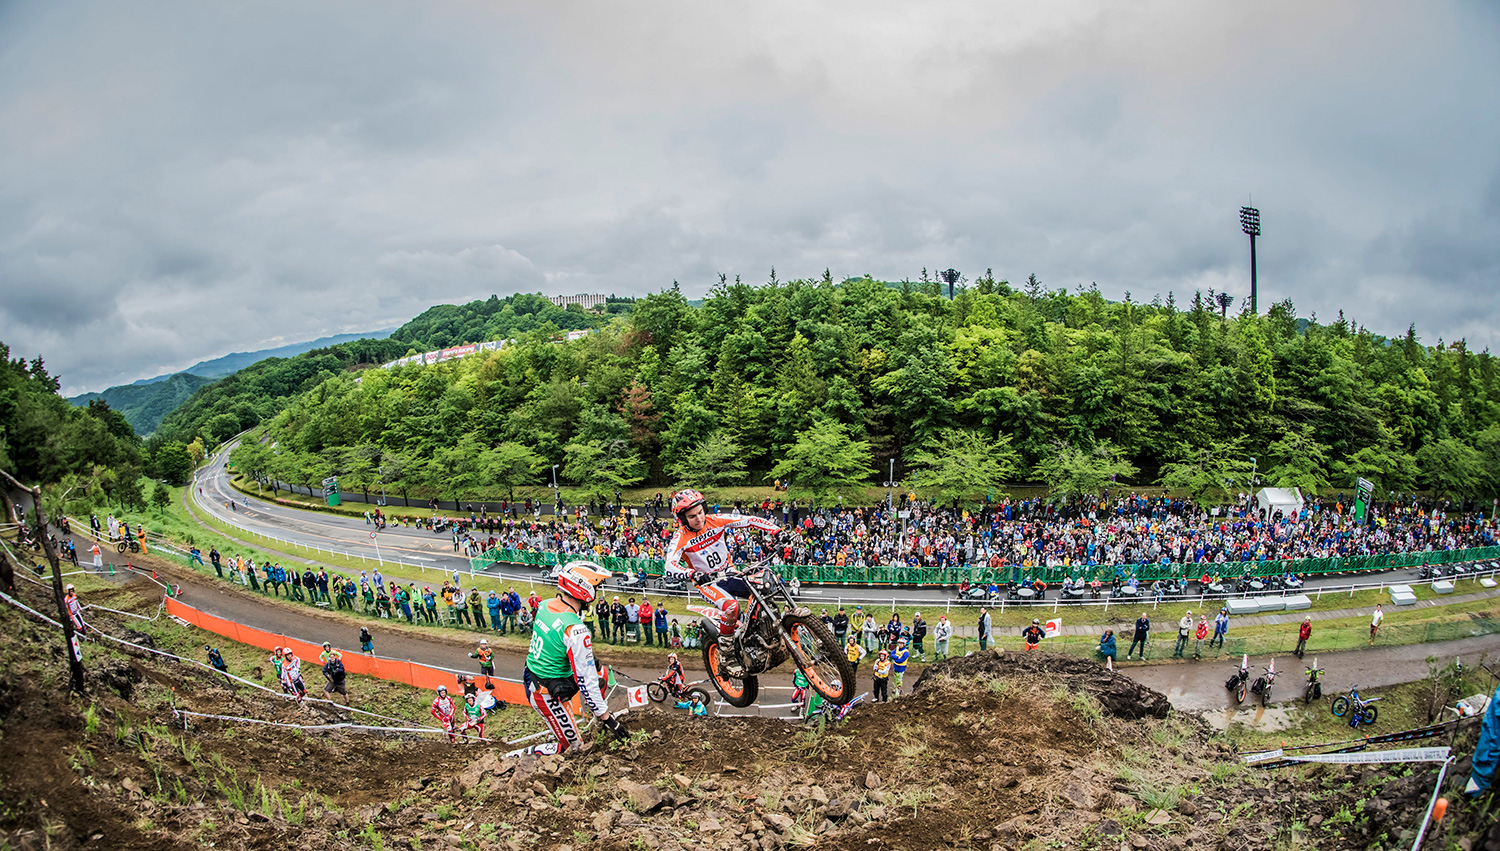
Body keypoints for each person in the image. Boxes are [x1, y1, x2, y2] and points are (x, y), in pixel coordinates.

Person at [513, 560, 626, 757]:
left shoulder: (546, 604)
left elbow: (553, 638)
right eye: (596, 587)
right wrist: (609, 719)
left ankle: (590, 713)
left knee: (602, 672)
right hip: (544, 690)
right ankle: (517, 756)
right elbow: (586, 680)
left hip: (538, 673)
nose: (597, 592)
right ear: (583, 588)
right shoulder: (575, 630)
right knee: (573, 748)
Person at [663, 489, 781, 677]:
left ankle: (760, 631)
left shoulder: (715, 520)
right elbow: (669, 566)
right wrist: (691, 573)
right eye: (692, 516)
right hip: (709, 583)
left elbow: (749, 519)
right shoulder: (680, 537)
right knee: (731, 606)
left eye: (701, 512)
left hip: (729, 573)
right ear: (683, 519)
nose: (699, 518)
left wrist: (776, 531)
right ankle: (726, 654)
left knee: (764, 585)